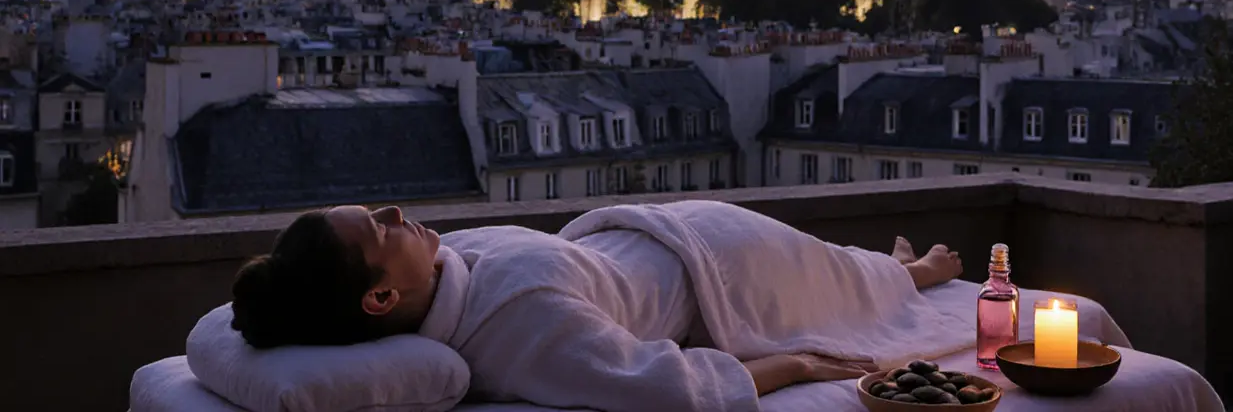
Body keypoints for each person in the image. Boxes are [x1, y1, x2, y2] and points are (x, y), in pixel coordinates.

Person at [230, 202, 965, 409]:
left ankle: (896, 273)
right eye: (380, 229)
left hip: (669, 232)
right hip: (717, 265)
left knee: (837, 272)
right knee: (833, 278)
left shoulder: (450, 270)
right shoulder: (521, 325)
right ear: (382, 296)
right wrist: (796, 363)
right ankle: (915, 276)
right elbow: (665, 384)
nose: (395, 211)